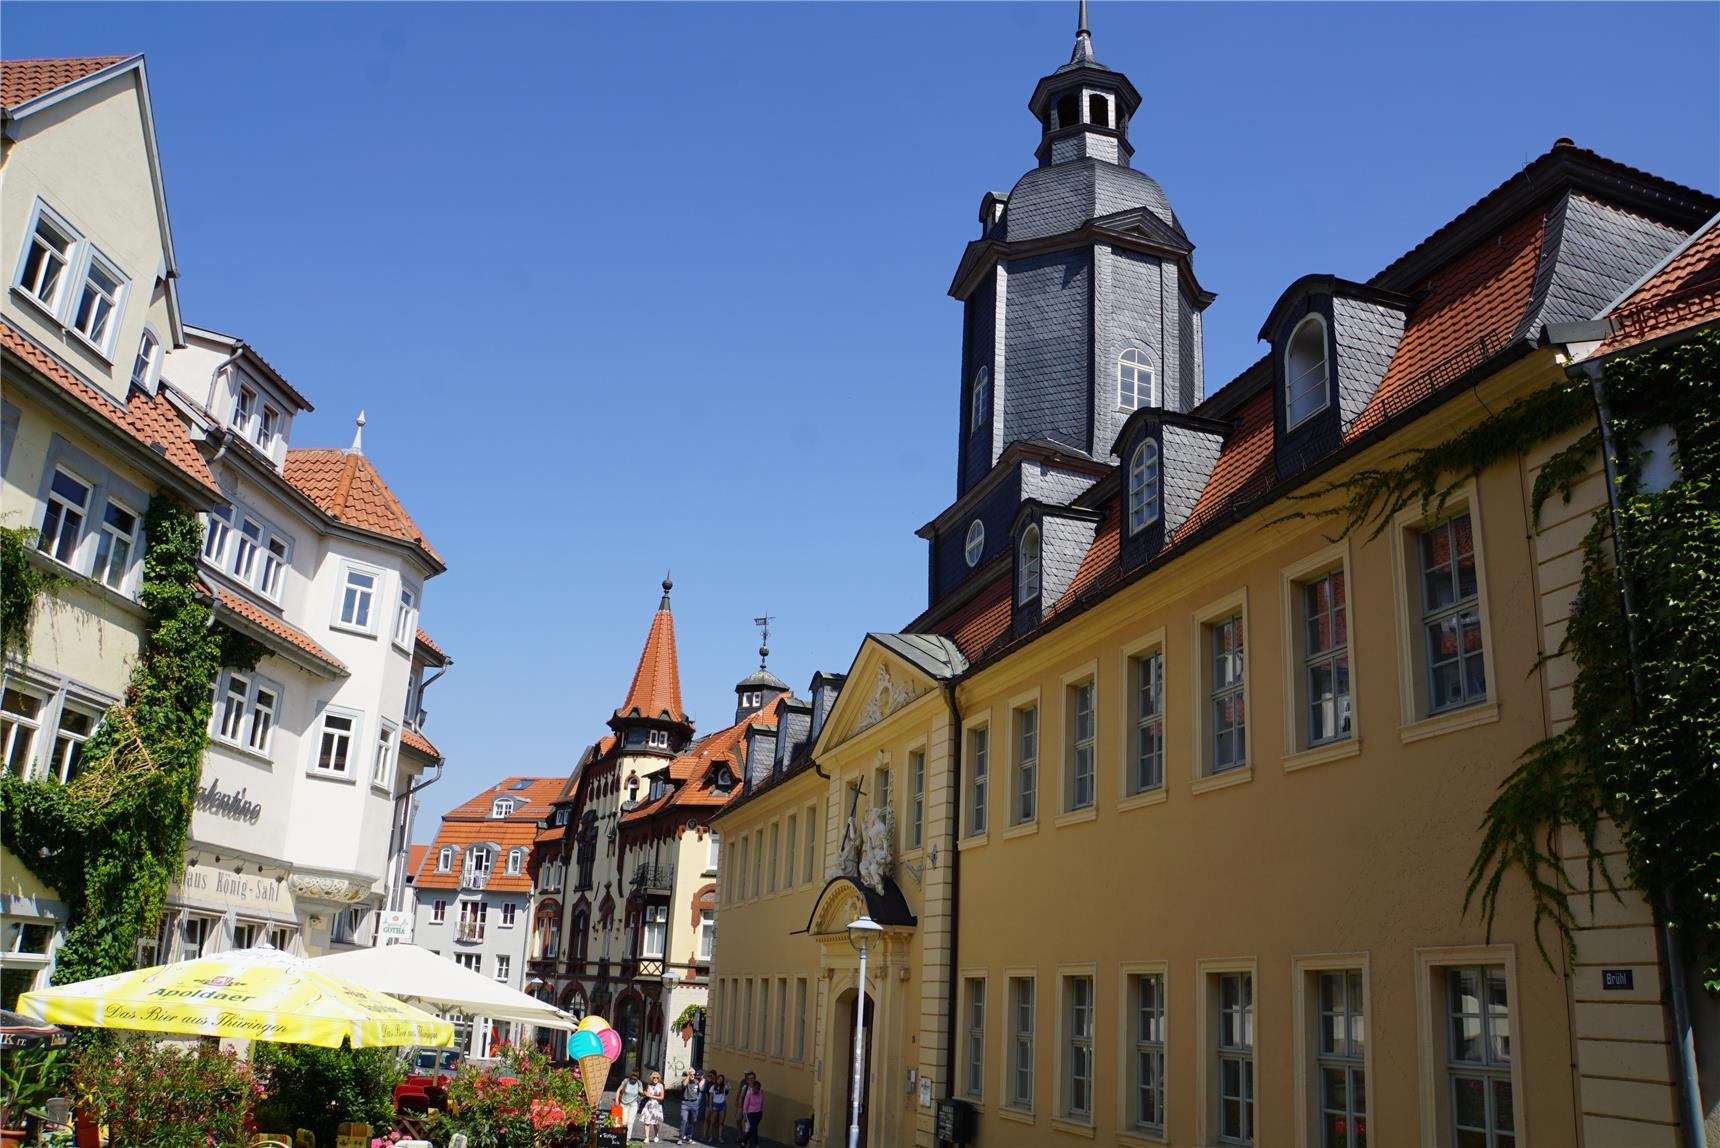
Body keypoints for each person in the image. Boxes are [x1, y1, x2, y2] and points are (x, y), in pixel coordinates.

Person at [737, 1071, 764, 1148]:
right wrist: (744, 1113)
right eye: (749, 1078)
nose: (751, 1080)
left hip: (758, 1113)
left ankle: (744, 1140)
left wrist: (762, 1112)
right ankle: (756, 1144)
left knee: (752, 1129)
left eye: (752, 1078)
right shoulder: (748, 1091)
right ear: (747, 1079)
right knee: (752, 1128)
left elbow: (762, 1102)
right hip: (750, 1113)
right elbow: (745, 1102)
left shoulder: (760, 1091)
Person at [618, 1069, 644, 1140]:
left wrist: (644, 1093)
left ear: (637, 1078)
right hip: (624, 1103)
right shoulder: (626, 1081)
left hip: (633, 1104)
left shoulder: (639, 1083)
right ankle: (622, 1136)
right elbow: (618, 1090)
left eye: (635, 1078)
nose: (633, 1079)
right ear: (630, 1076)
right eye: (632, 1077)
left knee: (630, 1122)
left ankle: (627, 1138)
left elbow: (641, 1092)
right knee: (624, 1121)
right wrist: (616, 1101)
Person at [642, 1071, 667, 1143]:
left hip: (657, 1105)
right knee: (646, 1121)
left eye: (657, 1078)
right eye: (654, 1077)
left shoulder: (660, 1086)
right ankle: (646, 1137)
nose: (655, 1079)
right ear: (651, 1078)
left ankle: (656, 1135)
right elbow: (646, 1094)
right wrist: (645, 1093)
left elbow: (662, 1097)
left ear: (659, 1079)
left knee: (656, 1122)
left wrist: (652, 1096)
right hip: (649, 1105)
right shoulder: (649, 1085)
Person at [678, 1068, 702, 1144]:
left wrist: (697, 1100)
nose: (692, 1076)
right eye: (691, 1074)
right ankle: (680, 1138)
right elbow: (684, 1084)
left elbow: (698, 1091)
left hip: (694, 1104)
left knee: (692, 1121)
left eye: (693, 1074)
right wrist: (688, 1076)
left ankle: (689, 1137)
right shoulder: (685, 1081)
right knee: (684, 1120)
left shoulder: (697, 1082)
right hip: (685, 1103)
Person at [705, 1072, 728, 1143]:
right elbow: (710, 1098)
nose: (720, 1080)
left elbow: (729, 1088)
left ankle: (720, 1137)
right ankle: (711, 1137)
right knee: (712, 1122)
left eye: (721, 1079)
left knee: (721, 1123)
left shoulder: (724, 1087)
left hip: (722, 1106)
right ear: (717, 1079)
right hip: (715, 1105)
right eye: (719, 1079)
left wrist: (727, 1084)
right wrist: (710, 1106)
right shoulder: (713, 1087)